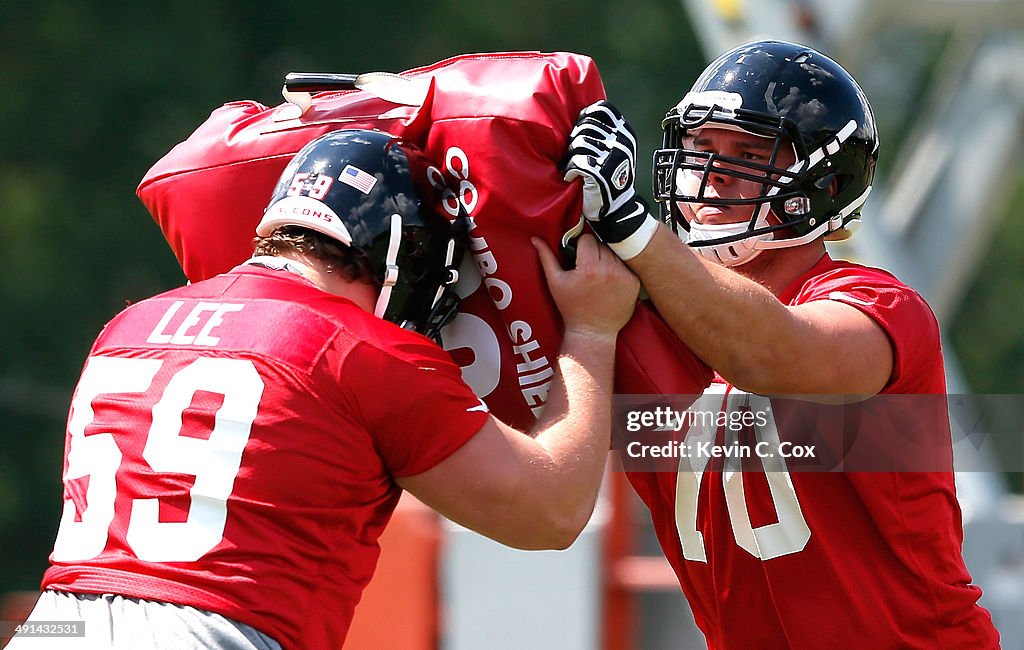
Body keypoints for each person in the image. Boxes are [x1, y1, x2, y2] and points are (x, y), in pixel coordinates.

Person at [11, 129, 639, 650]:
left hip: (53, 627)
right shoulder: (364, 351)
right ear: (399, 258)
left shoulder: (128, 326)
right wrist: (590, 330)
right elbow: (550, 511)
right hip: (212, 632)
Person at [563, 40, 1000, 648]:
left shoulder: (882, 308)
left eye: (747, 154)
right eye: (702, 148)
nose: (712, 175)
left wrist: (632, 229)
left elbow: (774, 354)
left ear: (822, 183)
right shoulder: (631, 319)